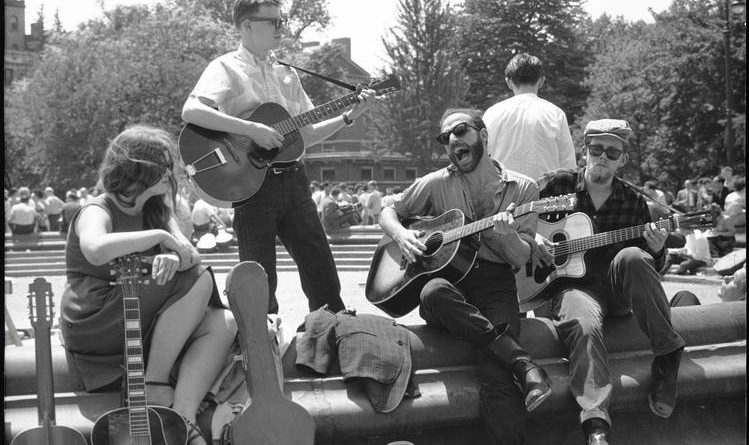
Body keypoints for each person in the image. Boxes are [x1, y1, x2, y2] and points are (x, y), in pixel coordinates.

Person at [181, 0, 376, 314]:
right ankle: (263, 351)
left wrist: (349, 117)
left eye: (281, 21)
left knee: (323, 276)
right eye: (274, 22)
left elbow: (307, 134)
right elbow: (192, 110)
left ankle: (330, 342)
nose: (281, 28)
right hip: (251, 186)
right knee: (259, 284)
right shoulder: (225, 67)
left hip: (295, 184)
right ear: (247, 25)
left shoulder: (287, 72)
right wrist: (251, 129)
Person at [379, 108, 551, 445]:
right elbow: (389, 209)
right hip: (449, 285)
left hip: (495, 283)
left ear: (483, 136)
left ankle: (513, 369)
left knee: (496, 374)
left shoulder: (525, 189)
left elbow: (520, 256)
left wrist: (505, 235)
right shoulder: (436, 182)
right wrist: (401, 235)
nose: (452, 141)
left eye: (460, 131)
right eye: (445, 138)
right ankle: (524, 363)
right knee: (431, 293)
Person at [59, 126, 236, 445]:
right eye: (166, 166)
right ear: (142, 171)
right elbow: (95, 249)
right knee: (198, 277)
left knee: (224, 321)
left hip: (136, 307)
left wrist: (172, 257)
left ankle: (182, 415)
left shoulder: (156, 210)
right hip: (96, 317)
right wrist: (159, 240)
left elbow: (189, 256)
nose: (173, 173)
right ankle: (154, 384)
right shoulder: (97, 209)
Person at [533, 119, 686, 444]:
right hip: (571, 288)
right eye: (596, 149)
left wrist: (658, 251)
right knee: (584, 325)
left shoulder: (634, 202)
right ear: (585, 151)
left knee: (634, 256)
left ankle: (668, 354)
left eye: (612, 152)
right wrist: (533, 238)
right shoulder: (557, 185)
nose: (602, 157)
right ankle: (596, 426)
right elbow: (516, 215)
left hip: (615, 291)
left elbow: (648, 271)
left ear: (623, 159)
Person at [482, 53, 576, 180]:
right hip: (545, 195)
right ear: (541, 80)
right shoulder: (556, 113)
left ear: (508, 82)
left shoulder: (491, 113)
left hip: (502, 192)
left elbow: (482, 158)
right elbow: (568, 165)